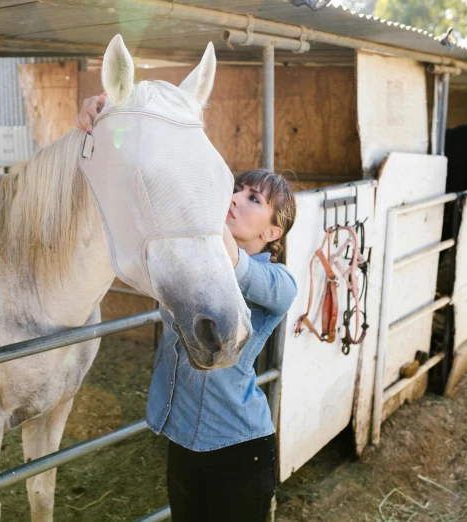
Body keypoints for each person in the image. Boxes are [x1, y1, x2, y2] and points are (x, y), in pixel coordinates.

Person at [76, 94, 299, 522]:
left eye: (254, 199)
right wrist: (106, 126)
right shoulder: (192, 264)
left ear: (273, 231)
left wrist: (205, 199)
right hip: (181, 440)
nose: (235, 198)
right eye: (237, 188)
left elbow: (242, 271)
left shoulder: (278, 282)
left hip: (238, 447)